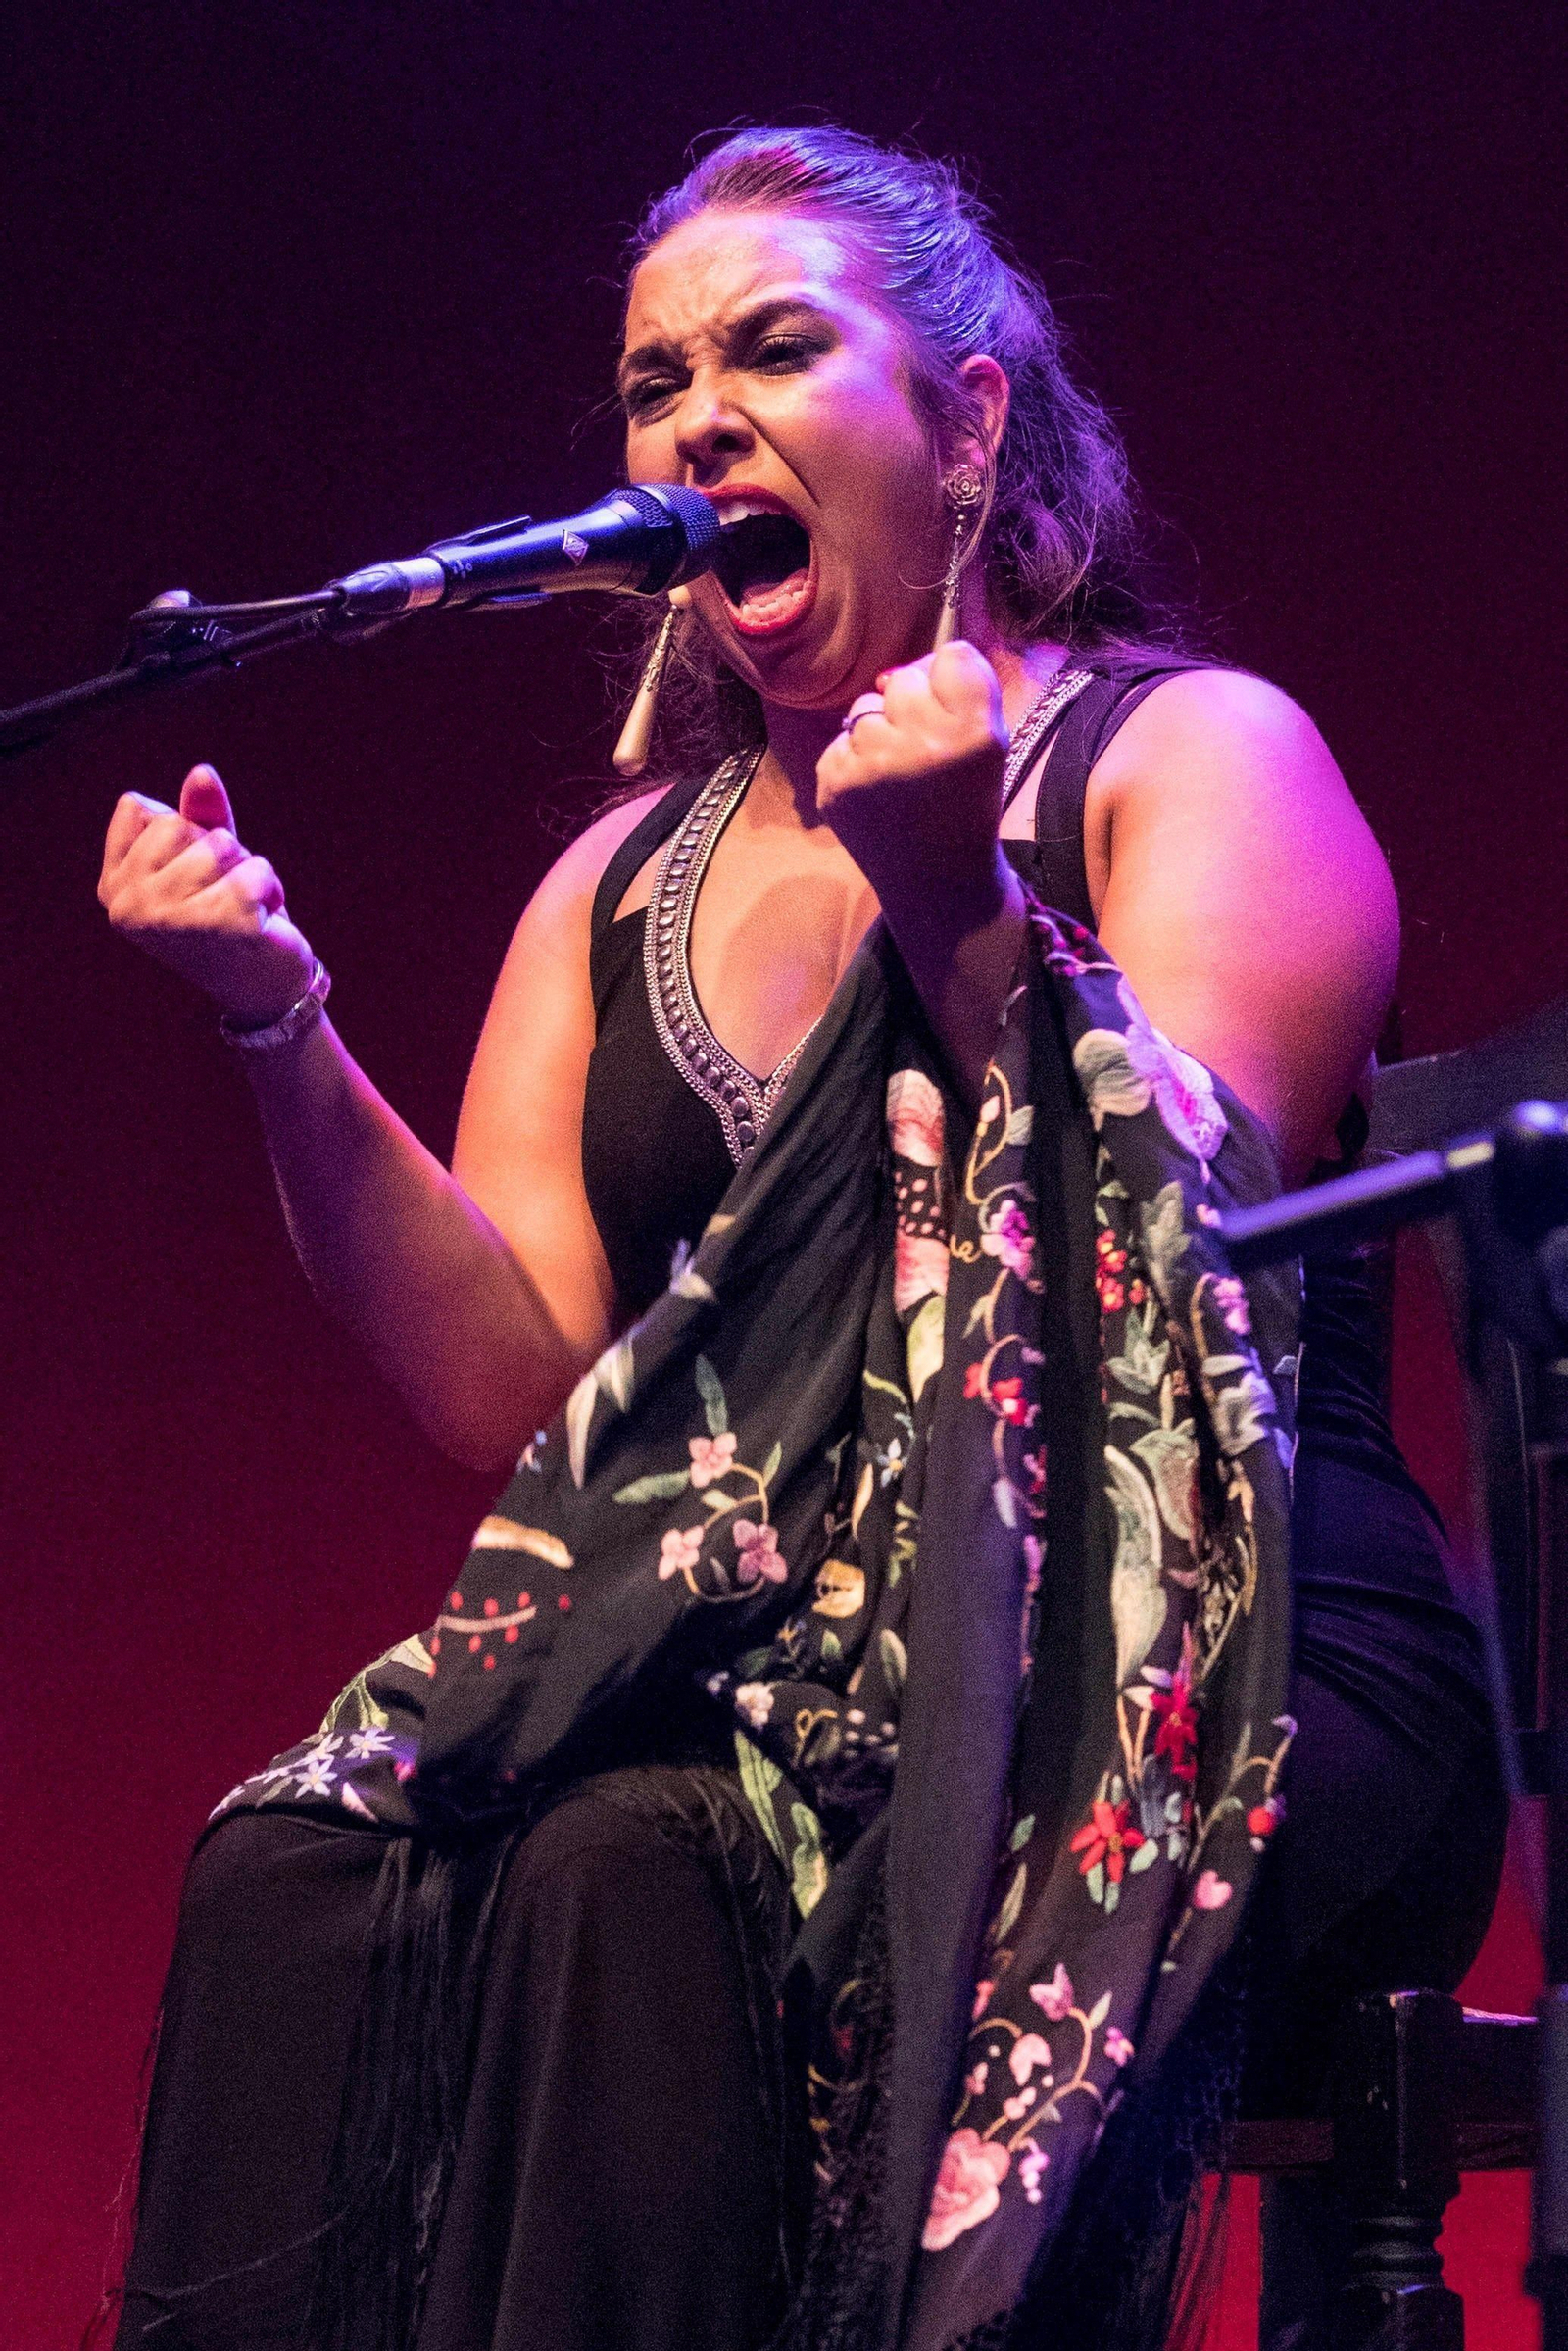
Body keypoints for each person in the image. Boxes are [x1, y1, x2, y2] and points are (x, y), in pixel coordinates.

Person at [98, 127, 1504, 2351]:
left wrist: (959, 899)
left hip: (1227, 1652)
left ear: (967, 422)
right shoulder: (613, 888)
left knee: (626, 1865)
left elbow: (1179, 1242)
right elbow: (511, 1382)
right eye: (654, 385)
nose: (695, 423)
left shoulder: (1189, 759)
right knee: (308, 1867)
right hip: (777, 1659)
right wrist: (278, 1021)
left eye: (770, 350)